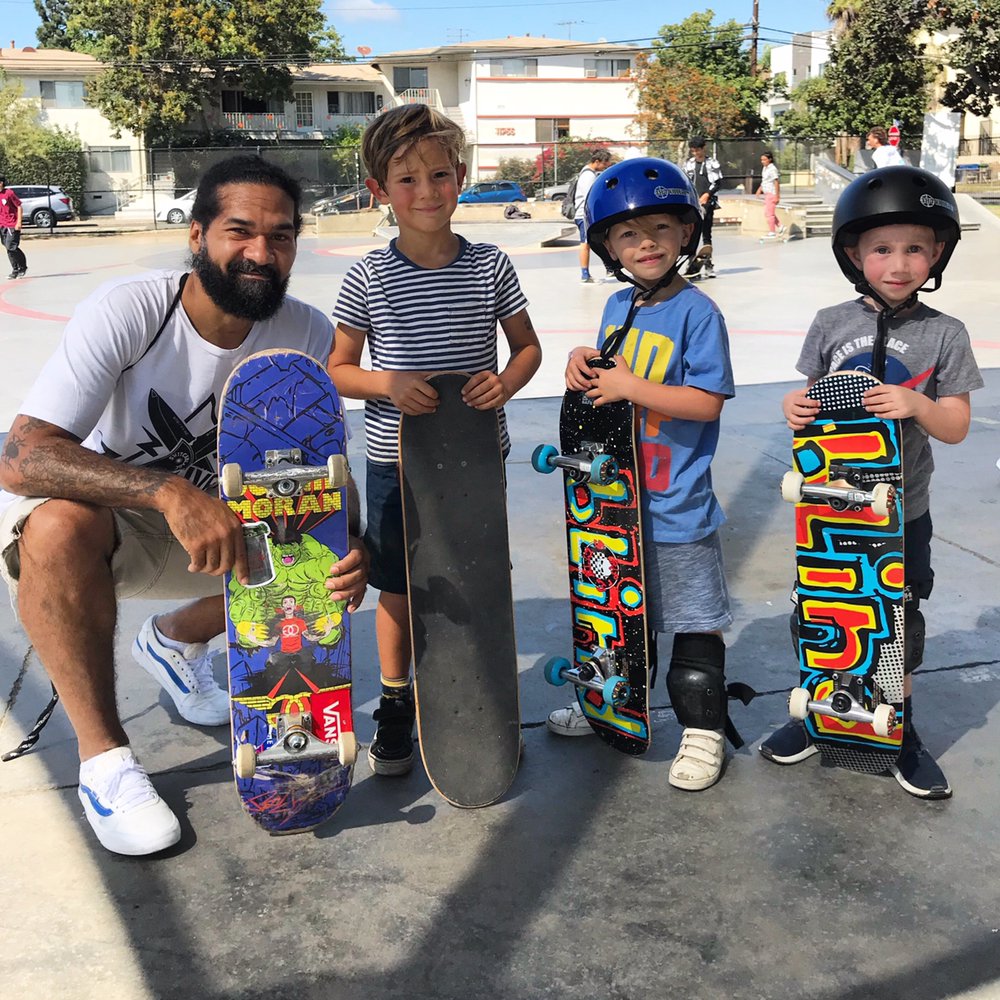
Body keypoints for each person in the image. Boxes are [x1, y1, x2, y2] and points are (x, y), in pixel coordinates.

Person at [0, 155, 369, 856]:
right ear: (198, 236)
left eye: (281, 236)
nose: (262, 252)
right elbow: (21, 457)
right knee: (52, 525)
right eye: (241, 231)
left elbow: (330, 473)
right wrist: (168, 492)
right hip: (130, 524)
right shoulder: (132, 309)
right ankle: (105, 762)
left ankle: (172, 639)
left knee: (315, 543)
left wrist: (353, 541)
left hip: (236, 533)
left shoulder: (309, 334)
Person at [329, 103, 542, 778]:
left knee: (478, 578)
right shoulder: (368, 275)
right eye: (407, 180)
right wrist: (388, 385)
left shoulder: (491, 265)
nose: (427, 192)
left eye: (441, 175)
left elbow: (528, 349)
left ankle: (481, 697)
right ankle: (396, 701)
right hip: (396, 462)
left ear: (462, 176)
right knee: (399, 587)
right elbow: (339, 369)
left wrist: (506, 384)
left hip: (477, 460)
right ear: (379, 192)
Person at [759, 165, 984, 799]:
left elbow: (958, 426)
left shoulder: (945, 333)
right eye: (882, 248)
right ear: (854, 254)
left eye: (915, 247)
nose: (899, 262)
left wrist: (918, 406)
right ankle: (823, 716)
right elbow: (807, 399)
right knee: (826, 616)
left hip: (903, 512)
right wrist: (793, 407)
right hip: (830, 511)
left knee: (894, 621)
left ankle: (899, 728)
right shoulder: (831, 323)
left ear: (937, 252)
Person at [545, 157, 740, 792]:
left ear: (687, 233)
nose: (646, 243)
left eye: (660, 227)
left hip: (676, 506)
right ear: (606, 245)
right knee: (617, 623)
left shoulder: (697, 313)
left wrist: (635, 386)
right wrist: (584, 358)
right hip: (611, 509)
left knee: (691, 622)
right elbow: (610, 377)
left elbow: (706, 403)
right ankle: (611, 705)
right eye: (629, 234)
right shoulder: (616, 305)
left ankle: (704, 730)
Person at [683, 137, 723, 276]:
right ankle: (691, 262)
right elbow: (686, 182)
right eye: (693, 151)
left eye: (698, 150)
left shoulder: (712, 163)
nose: (696, 153)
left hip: (708, 202)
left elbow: (717, 183)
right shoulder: (689, 164)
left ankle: (708, 265)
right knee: (693, 232)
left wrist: (707, 194)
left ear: (704, 148)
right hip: (694, 202)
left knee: (706, 233)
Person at [573, 148, 612, 283]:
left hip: (585, 214)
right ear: (597, 161)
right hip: (583, 215)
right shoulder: (588, 176)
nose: (606, 166)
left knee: (597, 241)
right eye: (605, 163)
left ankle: (610, 267)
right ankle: (585, 274)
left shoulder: (589, 173)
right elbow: (591, 196)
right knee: (585, 243)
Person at [0, 176, 28, 279]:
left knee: (11, 247)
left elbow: (19, 206)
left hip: (11, 224)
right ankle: (16, 269)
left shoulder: (9, 193)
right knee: (8, 248)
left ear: (1, 183)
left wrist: (19, 222)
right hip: (2, 225)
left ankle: (21, 268)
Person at [756, 151, 783, 239]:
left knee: (769, 214)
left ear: (770, 159)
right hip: (767, 193)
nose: (762, 161)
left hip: (772, 193)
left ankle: (772, 232)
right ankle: (780, 226)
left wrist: (777, 196)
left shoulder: (772, 169)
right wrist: (759, 189)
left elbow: (776, 182)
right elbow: (765, 181)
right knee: (768, 212)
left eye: (764, 160)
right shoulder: (765, 168)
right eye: (761, 160)